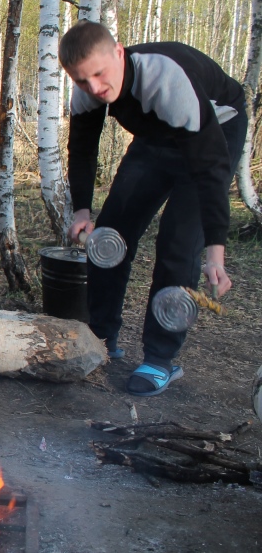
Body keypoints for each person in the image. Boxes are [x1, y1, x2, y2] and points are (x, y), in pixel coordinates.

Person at [61, 21, 247, 397]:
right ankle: (101, 338)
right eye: (82, 80)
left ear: (119, 53)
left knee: (179, 242)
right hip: (157, 136)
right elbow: (81, 149)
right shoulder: (87, 90)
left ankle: (160, 358)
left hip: (214, 131)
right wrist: (82, 212)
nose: (94, 87)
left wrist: (215, 251)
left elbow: (210, 170)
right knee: (109, 235)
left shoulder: (166, 81)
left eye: (99, 74)